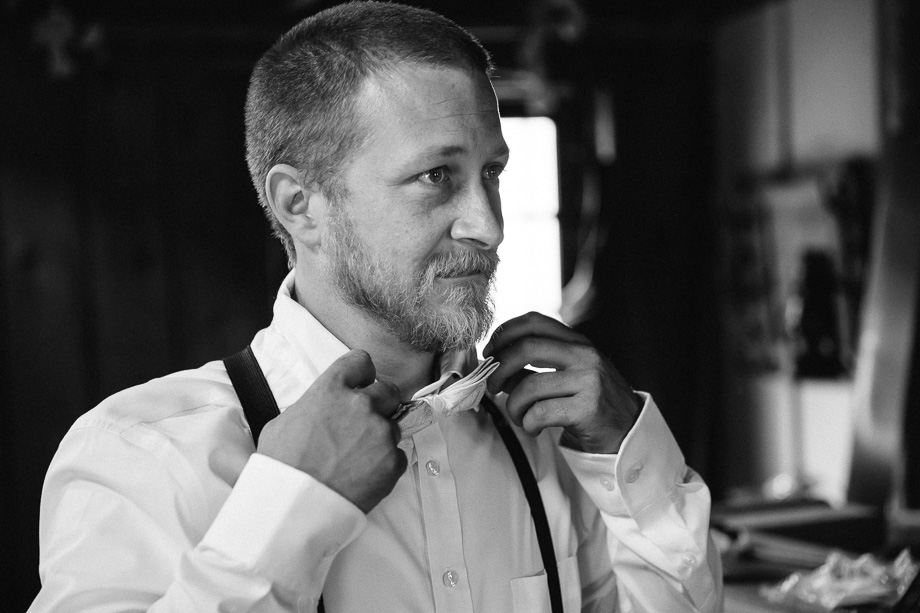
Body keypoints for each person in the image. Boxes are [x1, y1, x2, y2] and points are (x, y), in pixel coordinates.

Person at [29, 2, 723, 611]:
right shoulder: (143, 455)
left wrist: (630, 458)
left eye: (492, 173)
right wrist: (290, 506)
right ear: (301, 205)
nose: (488, 223)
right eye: (435, 176)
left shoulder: (548, 442)